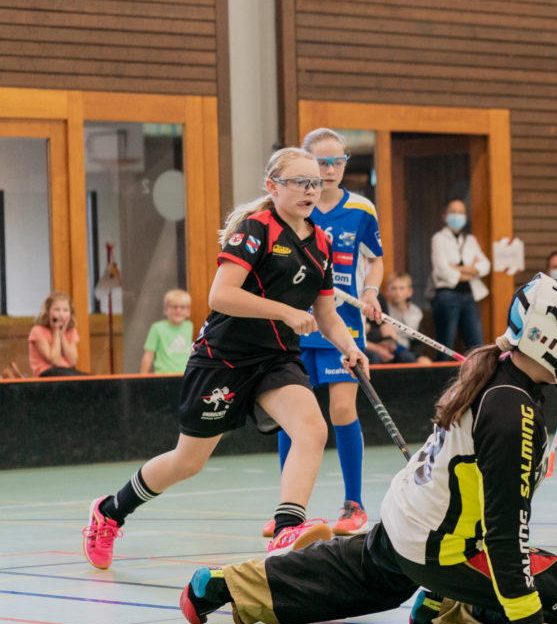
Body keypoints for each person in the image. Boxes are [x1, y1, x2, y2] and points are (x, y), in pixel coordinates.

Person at [178, 275, 557, 624]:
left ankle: (220, 585)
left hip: (403, 521)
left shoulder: (500, 373)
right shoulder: (512, 410)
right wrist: (529, 622)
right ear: (544, 339)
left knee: (341, 576)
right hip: (441, 549)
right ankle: (447, 601)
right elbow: (507, 529)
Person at [81, 147, 368, 570]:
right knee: (187, 462)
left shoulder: (320, 243)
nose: (310, 190)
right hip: (224, 358)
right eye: (299, 182)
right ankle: (110, 511)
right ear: (273, 187)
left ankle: (288, 526)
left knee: (312, 428)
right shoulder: (257, 229)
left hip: (275, 359)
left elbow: (326, 315)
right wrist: (287, 312)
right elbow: (221, 295)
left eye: (316, 182)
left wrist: (350, 347)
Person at [272, 128, 384, 539]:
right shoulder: (295, 208)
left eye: (338, 162)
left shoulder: (361, 210)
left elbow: (375, 260)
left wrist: (370, 291)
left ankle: (353, 503)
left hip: (342, 321)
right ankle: (287, 509)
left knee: (341, 410)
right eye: (322, 163)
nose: (331, 170)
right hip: (296, 323)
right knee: (293, 416)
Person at [431, 199, 491, 360]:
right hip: (447, 295)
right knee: (445, 345)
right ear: (445, 216)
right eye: (453, 212)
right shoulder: (439, 238)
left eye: (461, 212)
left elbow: (485, 266)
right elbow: (442, 270)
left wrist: (458, 268)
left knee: (477, 346)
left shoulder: (470, 240)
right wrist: (471, 270)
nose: (457, 216)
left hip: (469, 296)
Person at [374, 271, 432, 365]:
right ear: (387, 291)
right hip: (385, 351)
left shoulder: (416, 313)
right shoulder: (381, 310)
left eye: (401, 288)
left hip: (408, 354)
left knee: (422, 361)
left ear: (409, 292)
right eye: (393, 288)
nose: (397, 292)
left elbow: (419, 342)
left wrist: (417, 356)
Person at [28, 292, 85, 377]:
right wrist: (56, 333)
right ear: (48, 312)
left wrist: (62, 336)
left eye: (65, 310)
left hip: (68, 371)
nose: (61, 314)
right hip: (47, 373)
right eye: (57, 310)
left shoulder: (71, 331)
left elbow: (72, 361)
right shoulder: (38, 331)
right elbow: (54, 360)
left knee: (92, 381)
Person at [140, 289, 194, 374]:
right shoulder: (157, 328)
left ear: (188, 311)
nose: (178, 310)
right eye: (174, 307)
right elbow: (149, 355)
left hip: (185, 376)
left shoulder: (189, 326)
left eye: (182, 307)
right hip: (163, 377)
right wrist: (142, 378)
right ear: (166, 309)